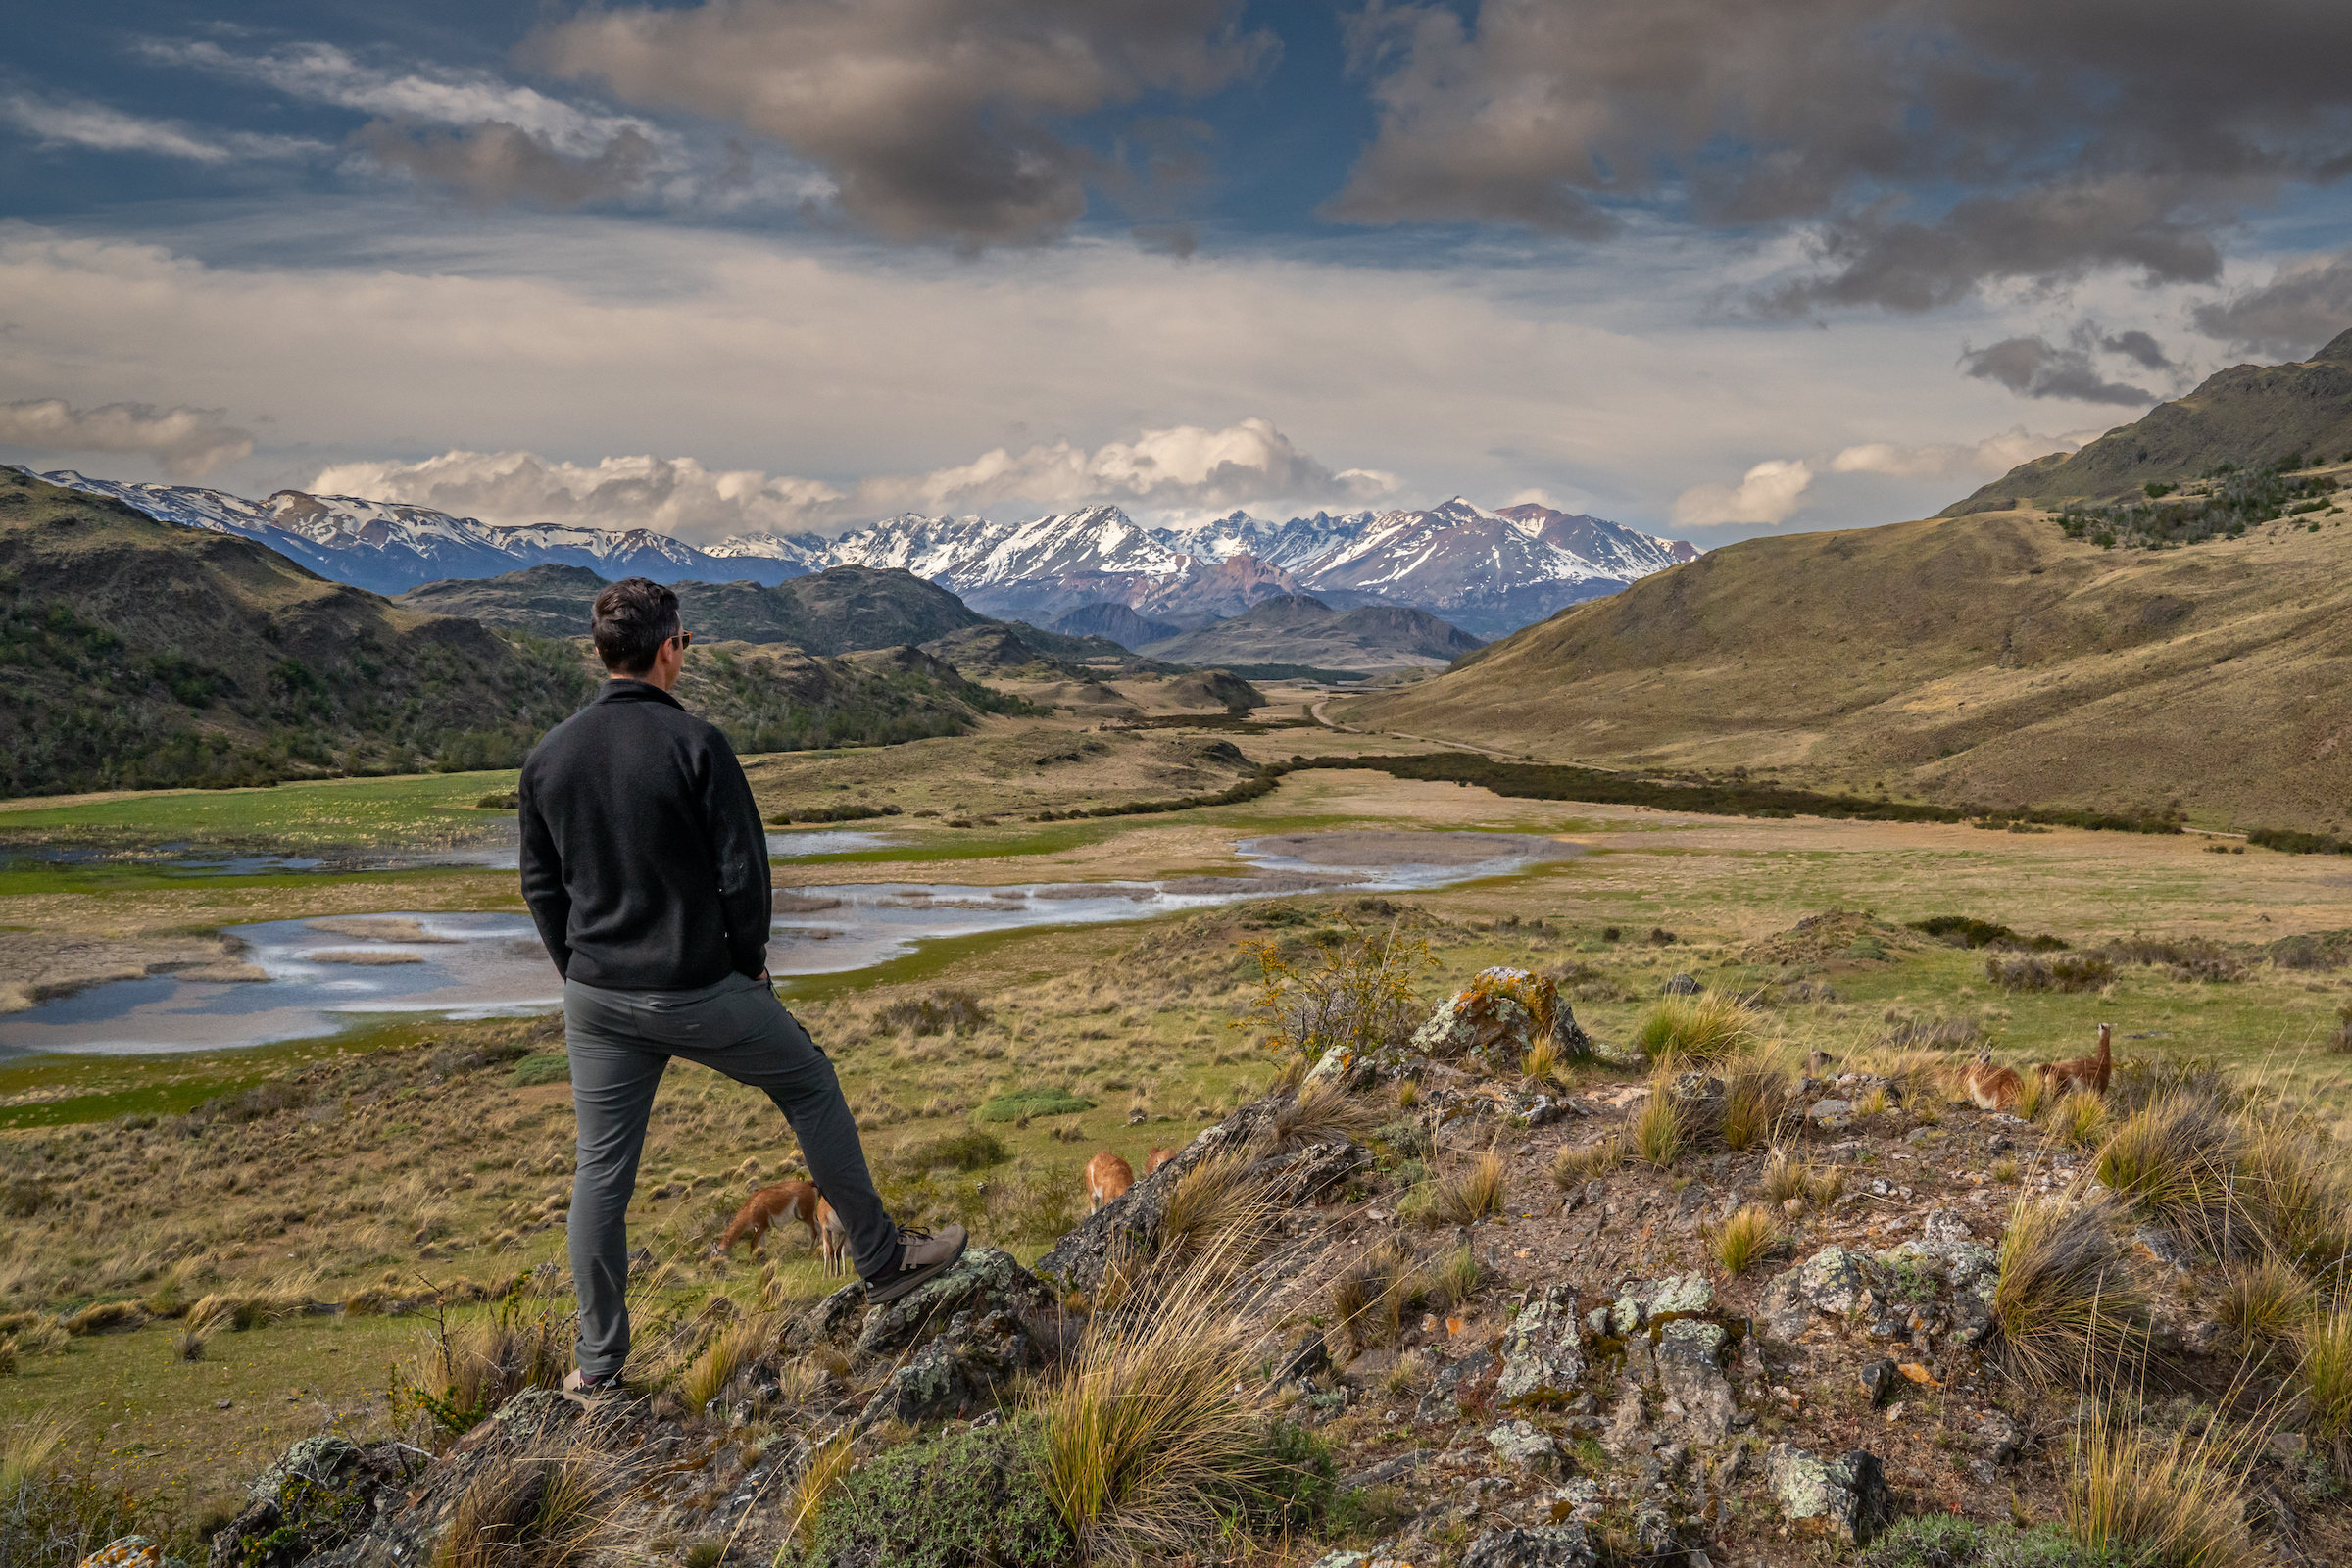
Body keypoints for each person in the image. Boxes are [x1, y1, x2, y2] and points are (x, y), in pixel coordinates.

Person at [517, 577, 965, 1396]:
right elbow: (743, 874)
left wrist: (579, 973)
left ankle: (597, 1366)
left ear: (599, 651)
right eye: (684, 643)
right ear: (669, 650)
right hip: (699, 985)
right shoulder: (697, 745)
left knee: (601, 1175)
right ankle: (884, 1260)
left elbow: (541, 889)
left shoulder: (548, 757)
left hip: (597, 998)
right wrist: (749, 962)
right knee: (810, 1083)